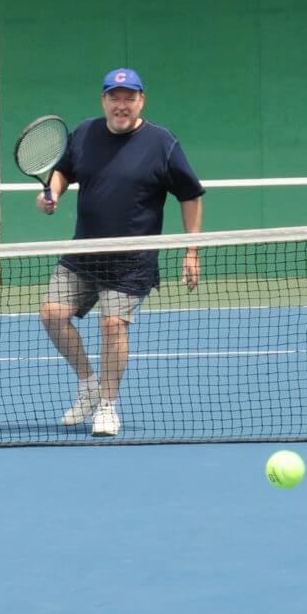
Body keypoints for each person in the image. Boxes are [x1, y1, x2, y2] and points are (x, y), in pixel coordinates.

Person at [36, 67, 205, 437]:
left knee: (112, 325)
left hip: (132, 260)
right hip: (84, 253)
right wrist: (53, 193)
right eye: (115, 97)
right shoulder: (84, 133)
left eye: (130, 98)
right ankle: (88, 384)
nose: (122, 104)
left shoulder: (162, 143)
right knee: (51, 314)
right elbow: (62, 171)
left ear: (141, 101)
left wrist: (191, 251)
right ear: (104, 100)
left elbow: (190, 195)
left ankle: (108, 406)